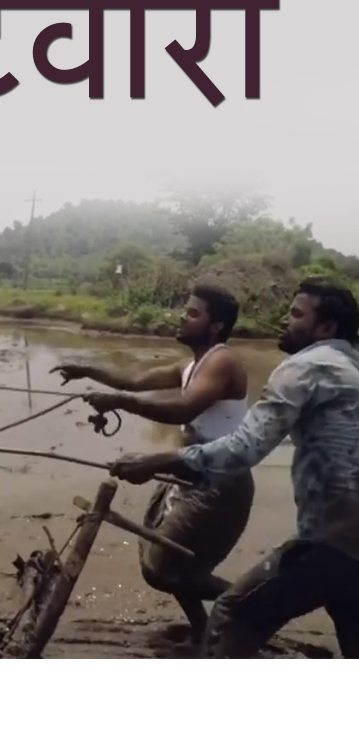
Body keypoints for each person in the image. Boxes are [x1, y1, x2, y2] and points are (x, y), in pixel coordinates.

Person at [109, 280, 359, 658]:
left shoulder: (305, 367)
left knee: (233, 615)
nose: (284, 320)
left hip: (334, 537)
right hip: (347, 540)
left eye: (296, 314)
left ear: (326, 328)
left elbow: (245, 447)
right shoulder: (351, 367)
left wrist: (163, 460)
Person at [51, 284, 255, 640]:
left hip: (220, 482)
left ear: (216, 326)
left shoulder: (223, 360)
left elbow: (184, 408)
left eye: (193, 313)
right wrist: (86, 370)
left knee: (164, 569)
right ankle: (203, 629)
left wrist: (119, 402)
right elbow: (134, 380)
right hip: (186, 470)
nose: (182, 316)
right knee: (166, 558)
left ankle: (257, 605)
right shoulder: (191, 366)